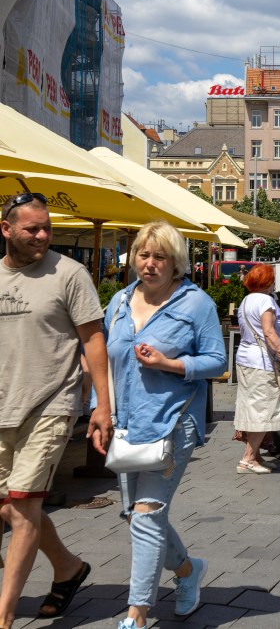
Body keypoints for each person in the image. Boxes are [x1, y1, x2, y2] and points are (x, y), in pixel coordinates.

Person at [105, 221, 227, 628]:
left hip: (174, 423)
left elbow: (217, 361)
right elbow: (107, 362)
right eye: (144, 254)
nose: (151, 263)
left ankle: (136, 614)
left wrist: (170, 364)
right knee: (137, 515)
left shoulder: (196, 304)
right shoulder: (120, 302)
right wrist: (99, 412)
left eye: (161, 257)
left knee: (147, 512)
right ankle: (188, 570)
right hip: (127, 422)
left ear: (177, 263)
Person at [0, 193, 112, 626]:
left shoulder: (70, 273)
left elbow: (93, 340)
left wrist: (103, 406)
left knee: (24, 506)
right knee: (9, 506)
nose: (43, 235)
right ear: (6, 229)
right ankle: (68, 568)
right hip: (4, 405)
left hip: (51, 402)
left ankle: (5, 616)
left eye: (46, 227)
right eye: (32, 229)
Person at [232, 264, 280, 474]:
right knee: (264, 409)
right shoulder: (266, 301)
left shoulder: (246, 300)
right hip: (262, 361)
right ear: (267, 282)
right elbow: (269, 332)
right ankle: (248, 459)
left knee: (251, 408)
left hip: (245, 358)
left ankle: (256, 455)